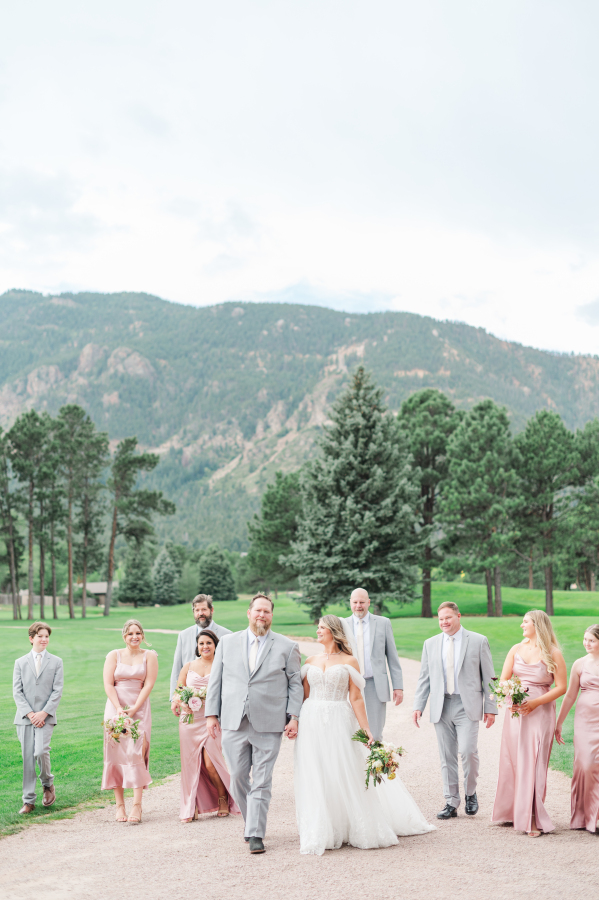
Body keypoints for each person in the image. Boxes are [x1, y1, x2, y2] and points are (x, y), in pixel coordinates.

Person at [295, 615, 435, 856]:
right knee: (316, 771)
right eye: (317, 627)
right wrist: (294, 721)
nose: (317, 631)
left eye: (322, 628)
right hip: (311, 721)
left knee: (343, 768)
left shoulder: (350, 661)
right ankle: (323, 828)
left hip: (340, 718)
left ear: (334, 632)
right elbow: (304, 695)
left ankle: (353, 825)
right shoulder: (310, 660)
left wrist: (366, 729)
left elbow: (356, 698)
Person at [205, 594, 303, 854]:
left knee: (261, 780)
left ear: (272, 616)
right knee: (237, 776)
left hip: (269, 722)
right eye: (258, 610)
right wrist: (211, 715)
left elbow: (295, 684)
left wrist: (294, 717)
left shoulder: (287, 646)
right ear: (248, 613)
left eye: (267, 612)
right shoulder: (226, 643)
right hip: (233, 721)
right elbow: (216, 681)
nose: (262, 615)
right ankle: (252, 824)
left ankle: (256, 833)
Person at [413, 601, 497, 819]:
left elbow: (489, 678)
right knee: (446, 756)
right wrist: (418, 706)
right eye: (441, 619)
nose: (444, 622)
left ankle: (470, 793)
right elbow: (424, 679)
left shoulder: (478, 641)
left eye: (448, 618)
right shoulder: (430, 644)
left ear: (459, 616)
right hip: (441, 706)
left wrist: (491, 707)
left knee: (468, 751)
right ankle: (451, 802)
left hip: (466, 705)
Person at [491, 610, 567, 837]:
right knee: (514, 759)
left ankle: (533, 818)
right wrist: (508, 697)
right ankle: (512, 811)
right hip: (516, 714)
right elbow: (503, 681)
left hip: (540, 712)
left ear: (537, 625)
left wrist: (534, 703)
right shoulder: (516, 649)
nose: (521, 625)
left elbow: (561, 687)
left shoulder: (554, 653)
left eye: (525, 622)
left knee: (533, 762)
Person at [171, 628, 241, 822]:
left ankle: (223, 797)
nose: (205, 647)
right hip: (189, 720)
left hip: (212, 720)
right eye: (201, 643)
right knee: (190, 764)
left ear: (215, 645)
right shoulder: (189, 666)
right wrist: (179, 702)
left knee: (211, 763)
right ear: (197, 646)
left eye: (209, 643)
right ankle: (190, 805)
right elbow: (178, 690)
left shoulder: (223, 666)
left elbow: (229, 693)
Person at [101, 619, 158, 824]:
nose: (134, 637)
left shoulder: (149, 656)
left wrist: (134, 708)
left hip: (139, 707)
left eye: (138, 633)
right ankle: (119, 806)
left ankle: (137, 805)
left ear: (142, 635)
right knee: (115, 752)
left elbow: (149, 683)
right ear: (124, 636)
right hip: (115, 707)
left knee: (136, 752)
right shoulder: (113, 655)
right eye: (130, 633)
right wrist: (118, 708)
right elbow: (108, 684)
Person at [13, 622, 64, 815]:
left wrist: (43, 713)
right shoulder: (20, 662)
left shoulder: (56, 661)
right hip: (25, 718)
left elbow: (57, 691)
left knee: (41, 751)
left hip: (46, 716)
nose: (44, 640)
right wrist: (30, 714)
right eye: (40, 636)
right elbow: (17, 692)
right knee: (28, 757)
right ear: (31, 638)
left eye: (46, 636)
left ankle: (47, 783)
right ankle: (28, 801)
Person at [340, 588, 404, 742]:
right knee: (351, 731)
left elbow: (392, 656)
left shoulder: (383, 623)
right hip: (350, 684)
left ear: (368, 602)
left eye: (362, 602)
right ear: (350, 603)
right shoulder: (342, 624)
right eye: (355, 602)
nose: (358, 606)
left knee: (375, 732)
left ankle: (376, 764)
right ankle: (356, 765)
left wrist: (398, 686)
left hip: (375, 683)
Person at [555, 623, 599, 833]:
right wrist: (559, 721)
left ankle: (596, 819)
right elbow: (570, 694)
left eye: (592, 640)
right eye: (585, 639)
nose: (587, 644)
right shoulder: (579, 664)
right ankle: (583, 816)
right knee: (585, 765)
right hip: (584, 721)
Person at [170, 594, 232, 700]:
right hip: (189, 701)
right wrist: (175, 698)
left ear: (211, 610)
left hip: (217, 699)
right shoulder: (183, 635)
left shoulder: (227, 636)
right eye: (197, 610)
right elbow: (177, 668)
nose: (200, 613)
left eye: (204, 609)